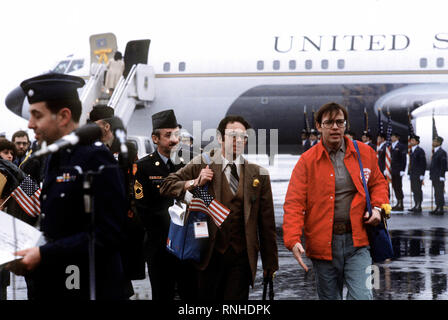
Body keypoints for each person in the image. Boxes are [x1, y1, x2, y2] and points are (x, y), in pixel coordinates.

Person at [6, 73, 129, 300]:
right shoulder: (56, 157)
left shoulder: (96, 159)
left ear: (63, 116)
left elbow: (108, 235)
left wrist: (43, 254)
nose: (30, 124)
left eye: (37, 115)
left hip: (89, 288)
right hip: (58, 283)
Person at [160, 115, 279, 301]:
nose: (238, 141)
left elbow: (267, 223)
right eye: (233, 135)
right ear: (220, 138)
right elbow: (167, 185)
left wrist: (270, 263)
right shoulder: (203, 163)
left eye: (243, 137)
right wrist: (194, 182)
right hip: (208, 255)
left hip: (241, 258)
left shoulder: (258, 175)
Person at [283, 102, 389, 300]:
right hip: (323, 246)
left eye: (339, 122)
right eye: (329, 122)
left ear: (345, 125)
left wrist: (377, 209)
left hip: (358, 243)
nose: (335, 127)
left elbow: (378, 184)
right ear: (318, 125)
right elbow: (294, 204)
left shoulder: (365, 153)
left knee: (363, 296)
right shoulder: (307, 161)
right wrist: (293, 240)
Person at [134, 109, 194, 300]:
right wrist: (170, 225)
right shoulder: (144, 167)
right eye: (168, 135)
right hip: (159, 244)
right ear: (155, 138)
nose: (174, 140)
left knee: (190, 294)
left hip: (187, 243)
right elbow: (142, 206)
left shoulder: (189, 162)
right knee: (162, 293)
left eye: (176, 134)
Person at [87, 104, 146, 297]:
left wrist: (132, 211)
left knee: (121, 271)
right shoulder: (88, 148)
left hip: (122, 218)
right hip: (97, 218)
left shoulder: (125, 147)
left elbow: (134, 180)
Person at [407, 135, 426, 213]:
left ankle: (419, 205)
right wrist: (409, 173)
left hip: (418, 174)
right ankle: (415, 205)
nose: (411, 142)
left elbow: (423, 163)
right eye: (411, 140)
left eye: (413, 140)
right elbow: (410, 163)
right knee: (414, 190)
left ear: (417, 142)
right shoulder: (412, 150)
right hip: (413, 173)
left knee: (418, 190)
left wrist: (422, 174)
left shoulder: (420, 150)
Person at [429, 136, 447, 215]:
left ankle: (440, 208)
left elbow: (443, 165)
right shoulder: (435, 151)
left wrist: (442, 176)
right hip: (434, 176)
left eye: (435, 141)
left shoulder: (442, 152)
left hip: (439, 176)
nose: (433, 143)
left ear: (439, 143)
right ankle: (437, 207)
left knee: (439, 192)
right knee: (436, 192)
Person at [390, 132, 407, 211]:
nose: (392, 138)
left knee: (398, 186)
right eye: (391, 137)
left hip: (398, 170)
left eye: (393, 137)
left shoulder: (401, 146)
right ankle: (398, 202)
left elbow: (404, 159)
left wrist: (403, 170)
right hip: (392, 170)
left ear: (397, 138)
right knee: (394, 186)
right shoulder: (390, 146)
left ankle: (401, 203)